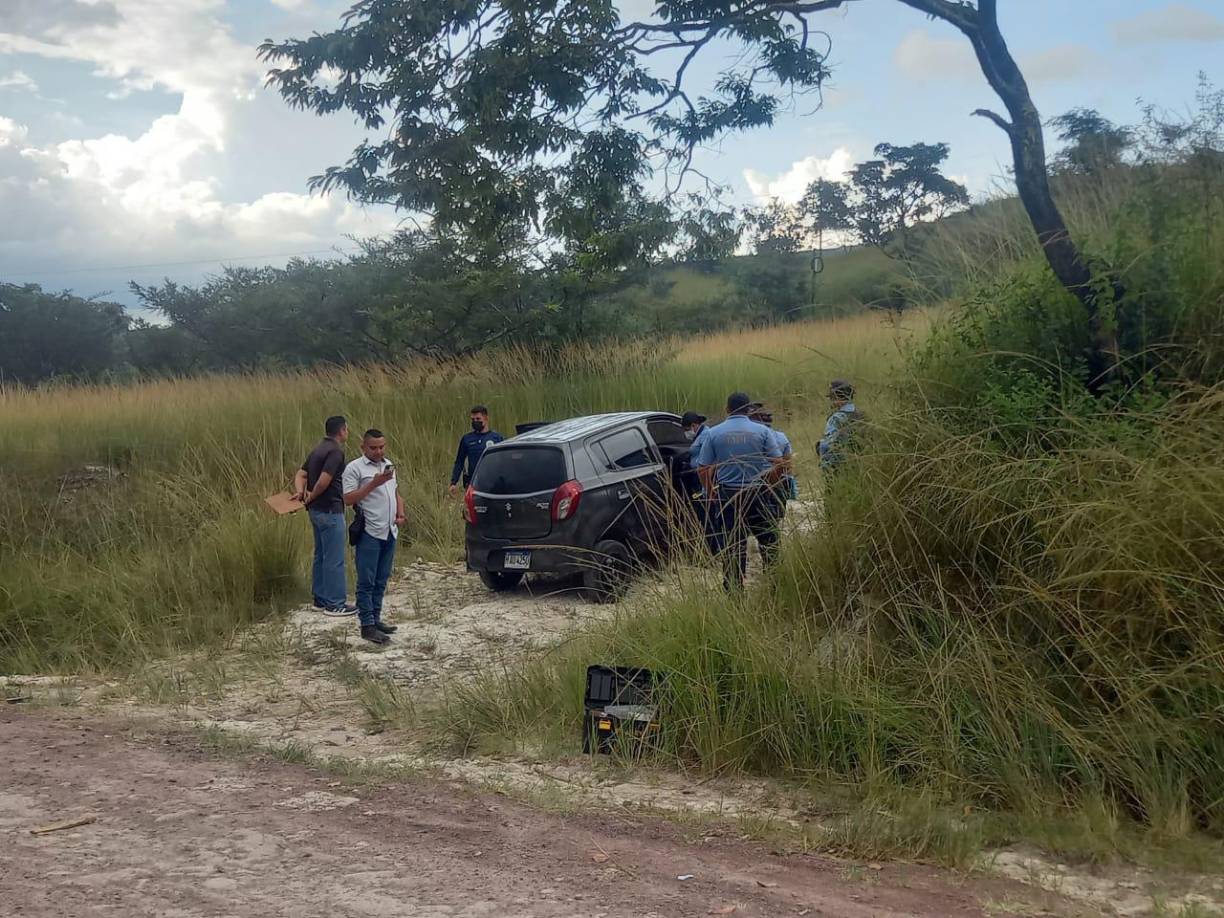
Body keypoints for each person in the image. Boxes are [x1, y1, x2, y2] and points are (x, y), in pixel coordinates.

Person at [694, 392, 785, 590]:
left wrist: (710, 491)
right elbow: (778, 463)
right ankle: (776, 584)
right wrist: (770, 485)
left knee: (732, 545)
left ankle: (735, 592)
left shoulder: (713, 433)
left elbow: (702, 468)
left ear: (727, 409)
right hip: (757, 493)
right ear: (748, 409)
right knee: (769, 540)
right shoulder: (762, 431)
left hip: (728, 496)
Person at [342, 429, 403, 645]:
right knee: (366, 580)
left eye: (381, 447)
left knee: (381, 578)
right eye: (373, 448)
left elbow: (394, 491)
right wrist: (373, 484)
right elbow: (348, 499)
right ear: (363, 447)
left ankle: (376, 619)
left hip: (389, 529)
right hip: (369, 530)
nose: (378, 451)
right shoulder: (354, 468)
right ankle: (366, 625)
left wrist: (400, 511)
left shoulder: (388, 465)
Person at [294, 416, 356, 616]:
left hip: (315, 511)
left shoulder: (318, 449)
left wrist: (301, 492)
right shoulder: (336, 452)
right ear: (342, 430)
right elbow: (324, 481)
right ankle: (335, 603)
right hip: (330, 509)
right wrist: (311, 495)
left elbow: (301, 474)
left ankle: (320, 599)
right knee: (334, 558)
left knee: (320, 555)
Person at [448, 405, 504, 496]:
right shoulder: (467, 439)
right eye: (473, 419)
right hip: (473, 483)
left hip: (493, 482)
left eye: (478, 419)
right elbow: (459, 462)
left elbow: (504, 460)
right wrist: (453, 482)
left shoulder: (497, 438)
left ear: (486, 418)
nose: (475, 422)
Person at [751, 406, 798, 502]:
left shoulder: (751, 438)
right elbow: (787, 465)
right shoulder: (781, 436)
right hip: (778, 484)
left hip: (755, 485)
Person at [818, 379, 864, 471]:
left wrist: (819, 446)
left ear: (837, 398)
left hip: (837, 468)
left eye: (831, 398)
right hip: (860, 465)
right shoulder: (862, 415)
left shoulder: (836, 419)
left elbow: (828, 446)